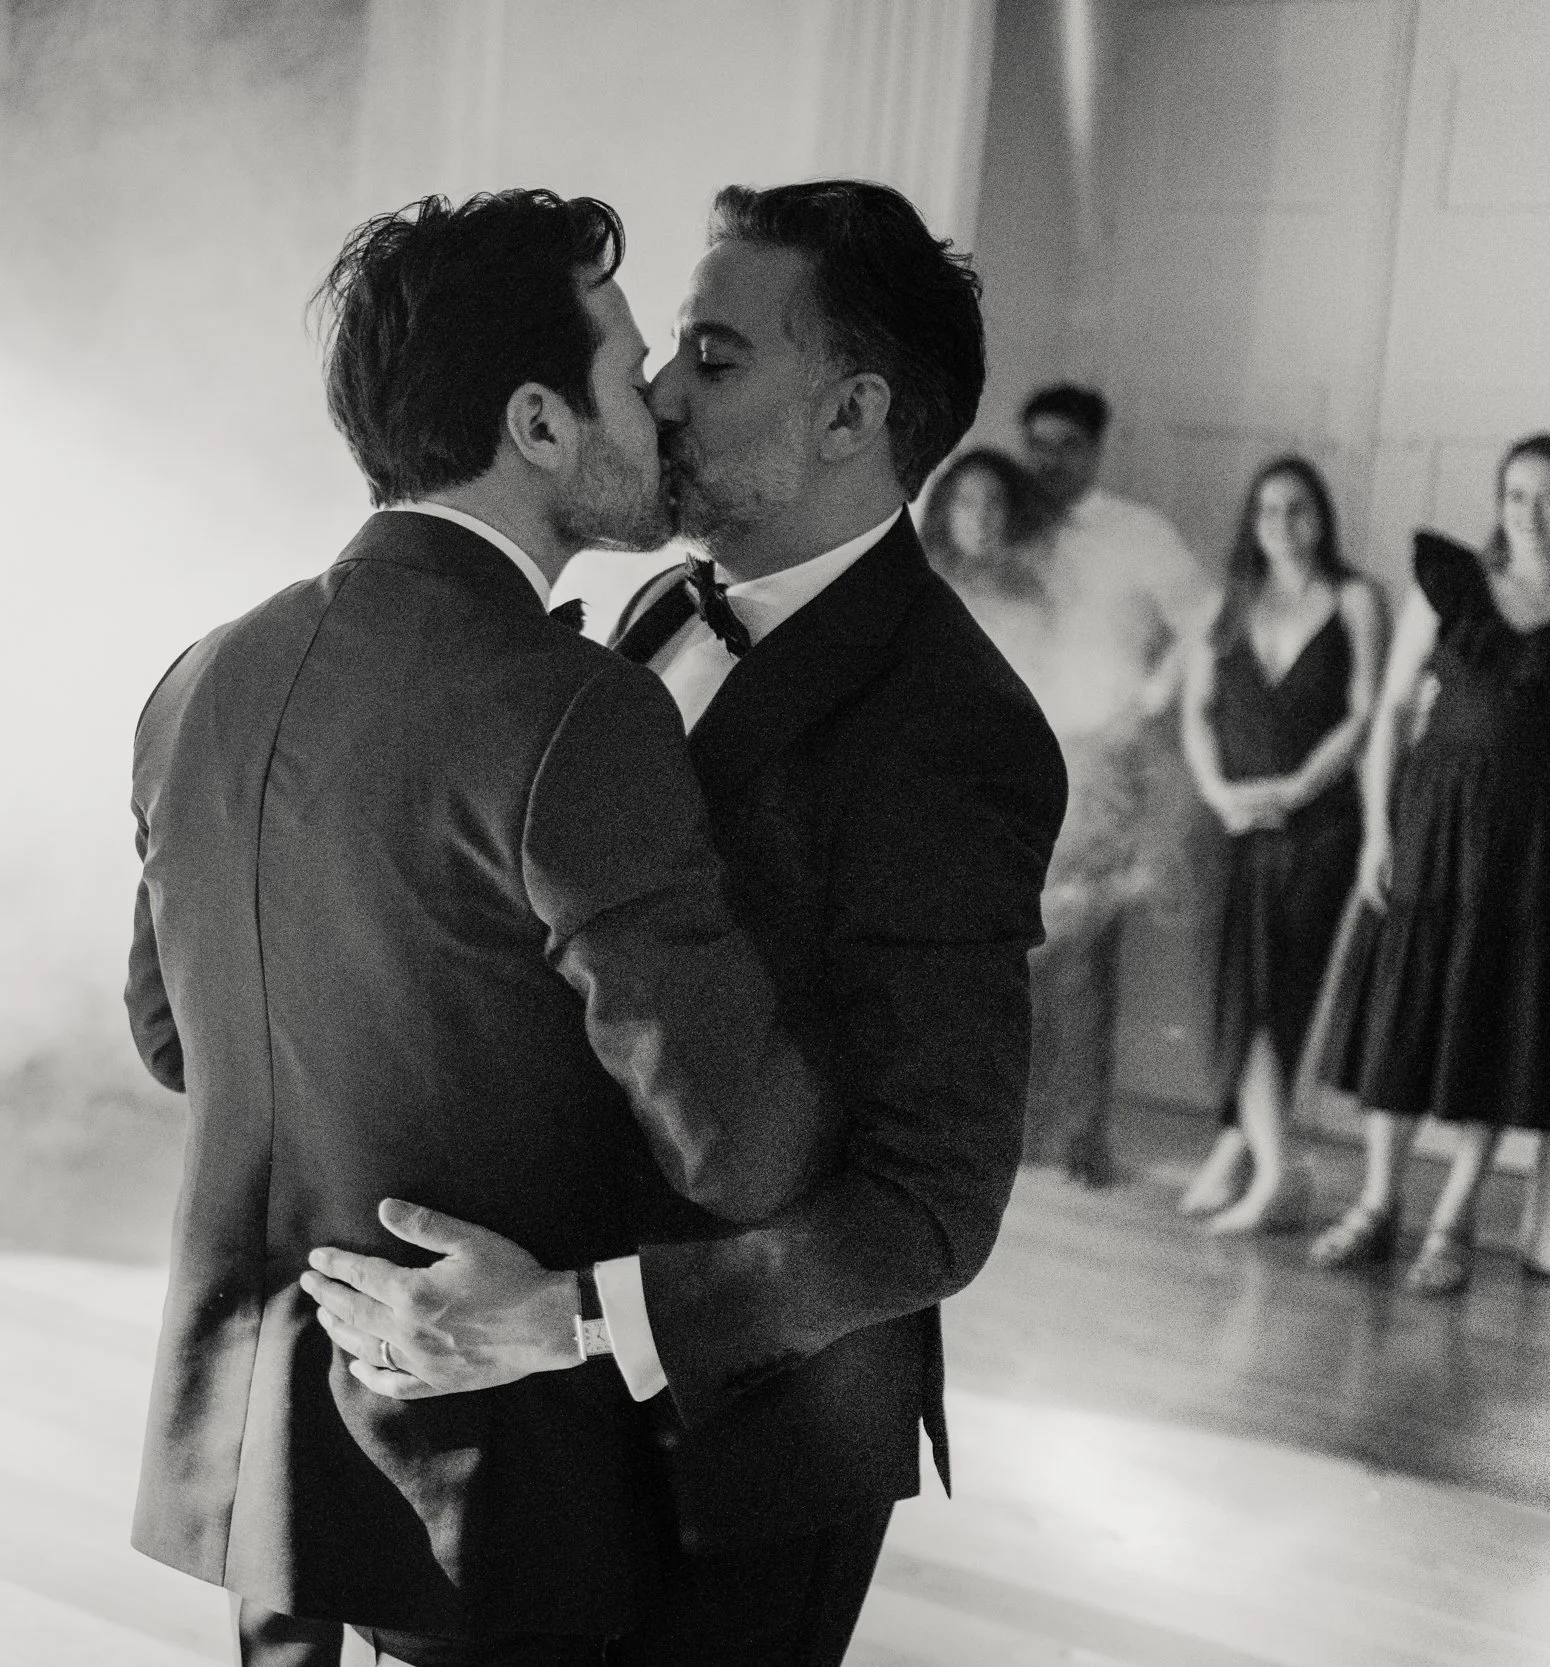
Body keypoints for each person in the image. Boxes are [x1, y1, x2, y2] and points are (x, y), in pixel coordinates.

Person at [301, 180, 1067, 1667]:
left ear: (851, 415)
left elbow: (930, 1207)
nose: (652, 390)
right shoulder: (651, 607)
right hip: (513, 1411)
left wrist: (573, 1319)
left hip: (744, 1451)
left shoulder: (953, 728)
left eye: (713, 360)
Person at [122, 190, 844, 1667]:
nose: (656, 404)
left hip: (263, 1471)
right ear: (536, 424)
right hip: (489, 1479)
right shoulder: (573, 712)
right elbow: (744, 1147)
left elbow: (168, 1032)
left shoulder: (203, 672)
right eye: (628, 369)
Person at [1309, 435, 1550, 1294]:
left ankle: (1451, 1222)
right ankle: (1376, 1206)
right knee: (1404, 1017)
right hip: (1435, 825)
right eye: (1517, 494)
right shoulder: (1449, 585)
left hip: (1538, 849)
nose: (1531, 511)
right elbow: (1394, 710)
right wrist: (1378, 832)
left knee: (1500, 1025)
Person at [955, 382, 1213, 1185]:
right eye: (1039, 443)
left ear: (1097, 450)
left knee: (1084, 958)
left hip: (1100, 759)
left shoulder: (1138, 533)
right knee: (1009, 953)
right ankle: (1018, 1138)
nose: (1049, 459)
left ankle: (1081, 1141)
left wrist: (1151, 700)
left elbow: (1210, 618)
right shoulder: (1010, 528)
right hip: (1010, 763)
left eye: (1067, 444)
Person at [1174, 458, 1383, 1233]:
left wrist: (1297, 787)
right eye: (1267, 509)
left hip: (1317, 826)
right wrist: (1222, 793)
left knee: (1275, 996)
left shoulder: (1356, 598)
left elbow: (1364, 714)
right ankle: (1246, 1149)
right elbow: (1197, 712)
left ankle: (1268, 1166)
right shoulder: (1225, 602)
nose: (1282, 523)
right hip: (1231, 824)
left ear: (1321, 516)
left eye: (1298, 508)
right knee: (1235, 993)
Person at [919, 444, 1040, 592]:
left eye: (994, 502)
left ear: (1012, 509)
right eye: (966, 502)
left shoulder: (1029, 588)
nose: (981, 518)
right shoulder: (919, 582)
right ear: (945, 509)